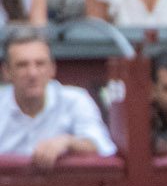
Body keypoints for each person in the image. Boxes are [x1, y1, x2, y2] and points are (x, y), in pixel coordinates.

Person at [0, 29, 115, 166]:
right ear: (6, 72)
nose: (32, 73)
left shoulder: (75, 100)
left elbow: (101, 146)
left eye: (40, 64)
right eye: (22, 65)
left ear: (52, 69)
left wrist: (68, 142)